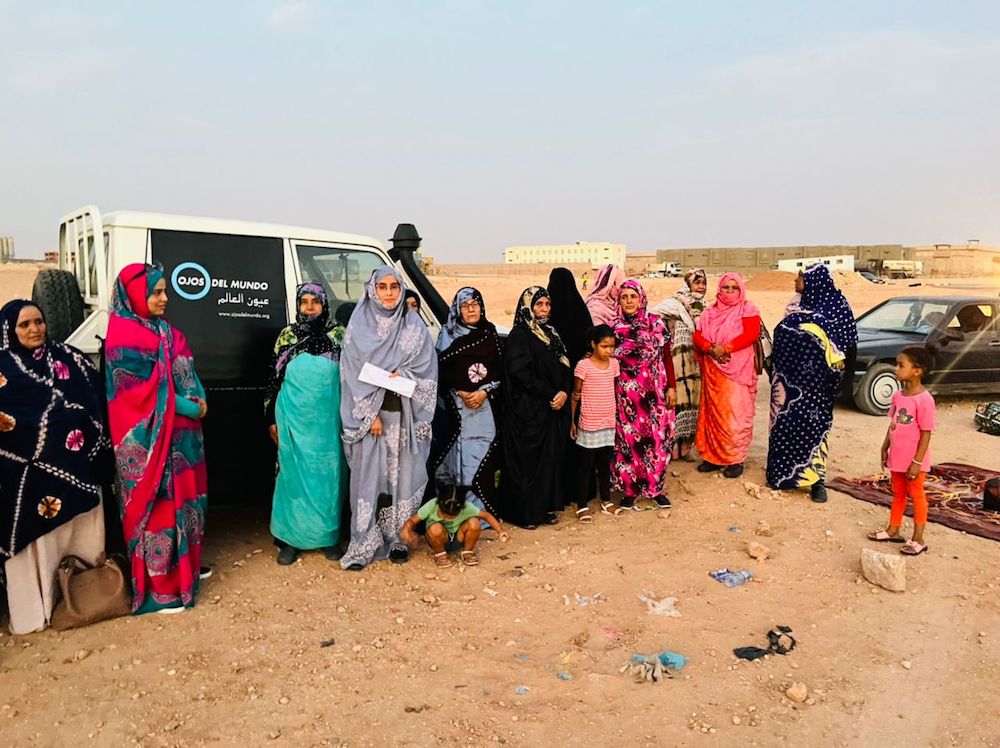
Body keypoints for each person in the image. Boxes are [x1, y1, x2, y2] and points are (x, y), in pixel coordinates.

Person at [0, 301, 109, 634]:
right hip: (26, 483)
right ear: (9, 330)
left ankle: (90, 598)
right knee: (39, 549)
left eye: (39, 321)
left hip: (77, 474)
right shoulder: (3, 369)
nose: (35, 329)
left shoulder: (68, 358)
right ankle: (40, 611)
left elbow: (95, 401)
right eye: (25, 325)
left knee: (80, 542)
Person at [105, 263, 208, 614]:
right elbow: (140, 395)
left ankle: (186, 570)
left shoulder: (164, 329)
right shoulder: (125, 337)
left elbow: (186, 367)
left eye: (165, 291)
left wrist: (200, 396)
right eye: (156, 292)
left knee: (186, 504)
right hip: (149, 448)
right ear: (136, 295)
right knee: (159, 513)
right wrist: (190, 407)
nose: (164, 298)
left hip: (182, 440)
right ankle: (160, 588)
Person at [339, 266, 438, 569]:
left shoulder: (414, 325)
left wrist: (404, 373)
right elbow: (351, 374)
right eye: (382, 287)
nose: (389, 293)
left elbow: (428, 369)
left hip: (404, 417)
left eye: (394, 286)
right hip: (372, 420)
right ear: (372, 290)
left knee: (401, 479)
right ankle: (364, 543)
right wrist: (369, 415)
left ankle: (398, 539)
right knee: (370, 480)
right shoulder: (359, 326)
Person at [265, 283, 347, 565]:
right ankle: (291, 540)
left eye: (315, 302)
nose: (310, 307)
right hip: (293, 421)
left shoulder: (338, 335)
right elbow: (274, 379)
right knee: (293, 479)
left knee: (329, 479)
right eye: (305, 302)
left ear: (325, 305)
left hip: (328, 426)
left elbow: (351, 378)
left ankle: (328, 537)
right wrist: (271, 420)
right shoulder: (287, 336)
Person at [767, 264, 857, 502]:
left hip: (819, 384)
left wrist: (847, 380)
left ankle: (817, 481)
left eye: (799, 279)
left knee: (815, 429)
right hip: (789, 381)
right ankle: (783, 476)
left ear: (813, 281)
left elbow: (850, 345)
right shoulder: (795, 305)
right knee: (785, 427)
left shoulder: (837, 307)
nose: (795, 282)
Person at [497, 286, 572, 528]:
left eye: (547, 304)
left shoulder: (551, 333)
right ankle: (525, 513)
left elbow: (564, 367)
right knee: (527, 462)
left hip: (551, 409)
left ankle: (545, 507)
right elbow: (519, 372)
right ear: (527, 307)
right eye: (539, 304)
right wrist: (550, 393)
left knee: (548, 460)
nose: (544, 309)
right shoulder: (520, 335)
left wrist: (564, 391)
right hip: (528, 410)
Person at [430, 287, 503, 518]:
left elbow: (501, 370)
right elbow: (438, 371)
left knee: (479, 458)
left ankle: (479, 516)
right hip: (455, 411)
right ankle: (454, 513)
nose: (471, 309)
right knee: (455, 459)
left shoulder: (489, 333)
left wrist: (485, 391)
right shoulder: (447, 334)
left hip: (484, 410)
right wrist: (458, 391)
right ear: (457, 309)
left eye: (475, 304)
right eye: (465, 305)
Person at [612, 281, 676, 510]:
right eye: (624, 297)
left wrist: (672, 387)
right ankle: (630, 491)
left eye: (633, 296)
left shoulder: (656, 324)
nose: (629, 301)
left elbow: (667, 357)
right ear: (619, 301)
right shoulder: (614, 328)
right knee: (628, 443)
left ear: (641, 299)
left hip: (655, 392)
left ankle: (655, 489)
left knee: (657, 441)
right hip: (626, 395)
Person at [867, 346, 936, 556]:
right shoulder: (898, 396)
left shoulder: (925, 400)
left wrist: (917, 462)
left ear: (917, 371)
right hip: (897, 456)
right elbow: (894, 424)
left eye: (900, 365)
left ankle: (918, 538)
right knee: (898, 493)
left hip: (914, 460)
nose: (895, 369)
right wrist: (884, 446)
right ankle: (893, 529)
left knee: (916, 495)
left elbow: (926, 433)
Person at [693, 273, 761, 479]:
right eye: (726, 287)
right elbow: (697, 335)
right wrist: (710, 348)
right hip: (713, 371)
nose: (730, 291)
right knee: (713, 415)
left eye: (734, 287)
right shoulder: (709, 312)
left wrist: (725, 348)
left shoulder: (747, 309)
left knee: (735, 416)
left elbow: (751, 334)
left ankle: (735, 459)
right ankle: (713, 458)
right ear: (719, 289)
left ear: (741, 290)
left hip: (737, 371)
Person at [651, 267, 707, 460]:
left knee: (693, 404)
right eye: (697, 282)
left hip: (695, 363)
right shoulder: (674, 304)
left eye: (704, 283)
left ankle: (686, 448)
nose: (701, 287)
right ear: (687, 284)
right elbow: (652, 315)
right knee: (677, 405)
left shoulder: (704, 307)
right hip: (677, 362)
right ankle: (671, 449)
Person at [569, 325, 622, 520]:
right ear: (593, 344)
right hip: (589, 422)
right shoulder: (583, 366)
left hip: (608, 421)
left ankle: (606, 500)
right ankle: (582, 505)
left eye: (612, 346)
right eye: (604, 346)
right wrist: (572, 421)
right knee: (585, 466)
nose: (609, 350)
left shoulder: (614, 364)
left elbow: (614, 389)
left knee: (604, 464)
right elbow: (575, 395)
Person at [400, 482, 509, 567]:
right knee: (435, 528)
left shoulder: (467, 507)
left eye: (452, 515)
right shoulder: (431, 505)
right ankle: (440, 554)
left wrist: (500, 531)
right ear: (438, 503)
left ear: (462, 508)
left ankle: (467, 552)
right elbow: (413, 520)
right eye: (444, 514)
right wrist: (406, 530)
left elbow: (486, 516)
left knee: (474, 522)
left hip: (458, 537)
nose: (447, 517)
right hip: (439, 539)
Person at [548, 267, 594, 366]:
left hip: (553, 366)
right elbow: (590, 335)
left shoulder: (546, 310)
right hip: (579, 364)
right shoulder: (580, 308)